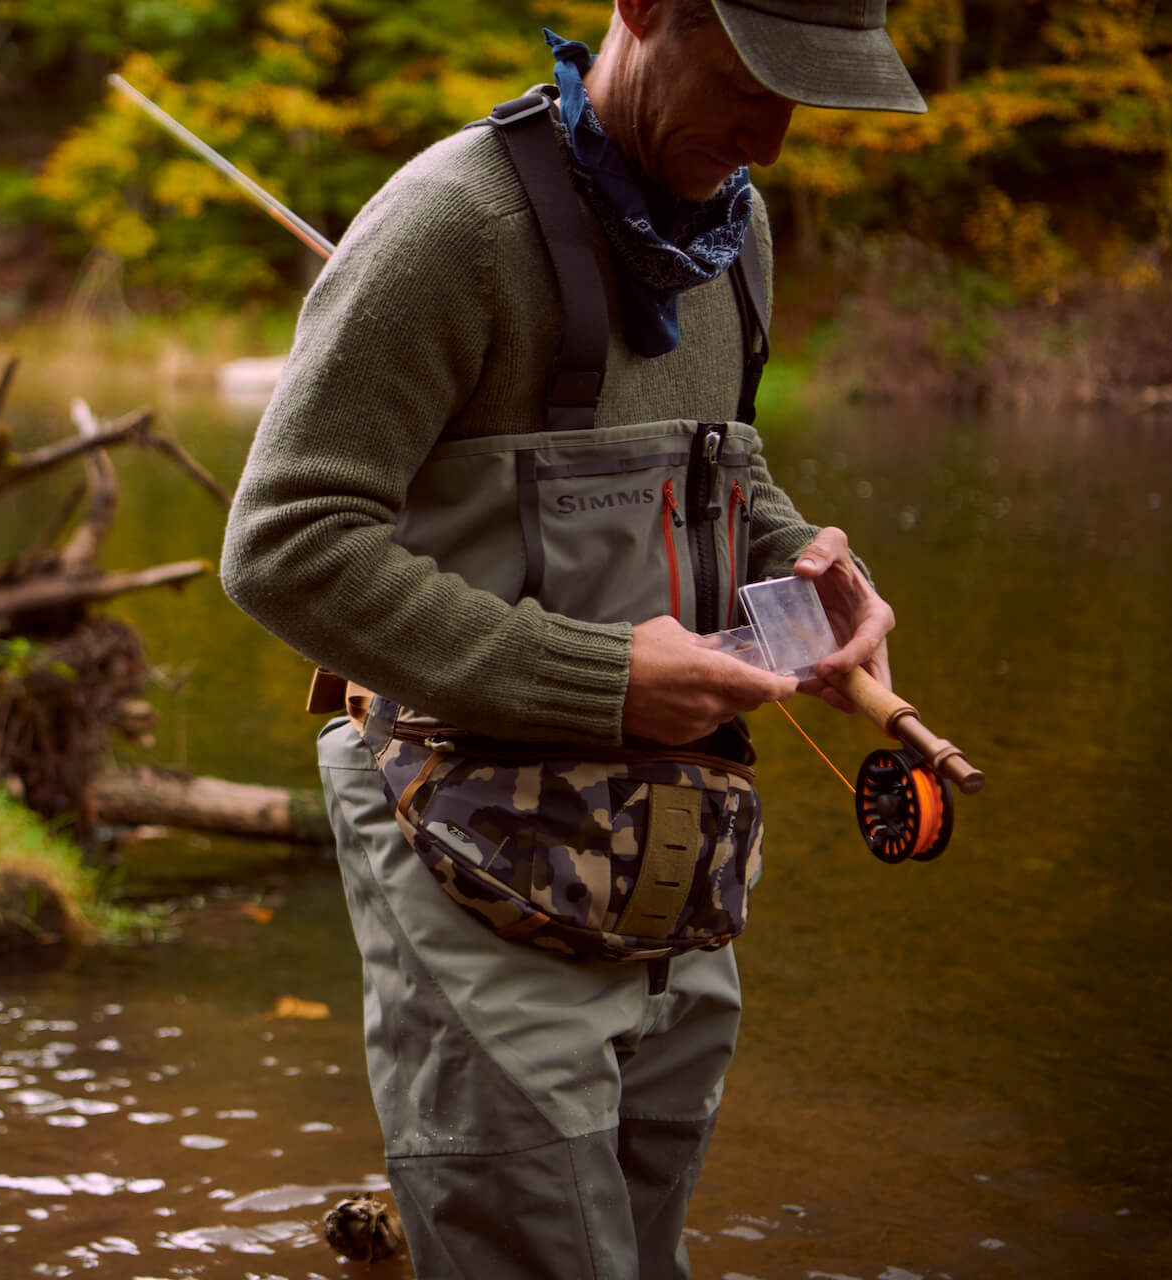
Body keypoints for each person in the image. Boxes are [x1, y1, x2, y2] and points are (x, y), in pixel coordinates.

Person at [221, 1, 923, 1275]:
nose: (774, 127)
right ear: (646, 6)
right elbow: (283, 543)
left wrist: (804, 564)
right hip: (460, 844)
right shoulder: (454, 225)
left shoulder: (735, 227)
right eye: (753, 76)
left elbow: (730, 466)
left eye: (806, 96)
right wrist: (597, 677)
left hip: (674, 855)